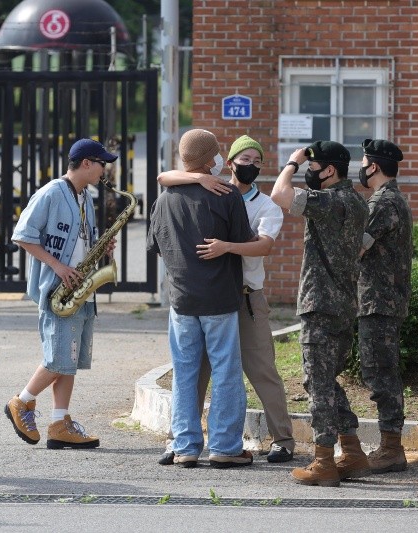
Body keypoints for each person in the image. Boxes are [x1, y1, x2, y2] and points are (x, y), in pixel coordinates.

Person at [156, 134, 295, 464]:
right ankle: (204, 444)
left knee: (257, 369)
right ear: (225, 162)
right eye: (244, 159)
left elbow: (262, 245)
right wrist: (198, 178)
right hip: (218, 299)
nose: (252, 166)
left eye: (257, 161)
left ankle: (282, 439)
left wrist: (226, 247)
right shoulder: (223, 194)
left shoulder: (262, 204)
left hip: (238, 298)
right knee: (214, 372)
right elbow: (166, 177)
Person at [147, 129, 256, 468]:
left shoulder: (165, 197)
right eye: (218, 153)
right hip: (220, 297)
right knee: (225, 370)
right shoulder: (226, 195)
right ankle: (224, 446)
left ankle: (185, 446)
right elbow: (243, 242)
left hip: (181, 298)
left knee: (184, 373)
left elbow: (155, 246)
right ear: (210, 160)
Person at [5, 138, 117, 450]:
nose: (104, 170)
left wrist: (102, 248)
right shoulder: (52, 192)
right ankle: (21, 402)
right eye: (101, 163)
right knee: (56, 358)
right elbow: (23, 236)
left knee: (69, 360)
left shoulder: (85, 197)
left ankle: (59, 422)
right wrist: (57, 266)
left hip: (79, 290)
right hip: (59, 289)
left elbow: (81, 241)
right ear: (86, 163)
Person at [270, 141, 369, 487]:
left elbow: (280, 196)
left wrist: (292, 163)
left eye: (315, 167)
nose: (310, 172)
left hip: (320, 304)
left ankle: (324, 461)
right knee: (325, 381)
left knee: (318, 384)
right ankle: (353, 452)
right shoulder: (357, 202)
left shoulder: (329, 201)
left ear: (328, 171)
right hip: (343, 304)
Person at [357, 138, 412, 474]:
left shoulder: (383, 202)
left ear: (373, 166)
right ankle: (390, 446)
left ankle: (391, 449)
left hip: (380, 301)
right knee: (380, 372)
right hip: (381, 300)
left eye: (363, 162)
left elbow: (358, 246)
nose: (361, 169)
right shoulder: (391, 199)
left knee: (381, 375)